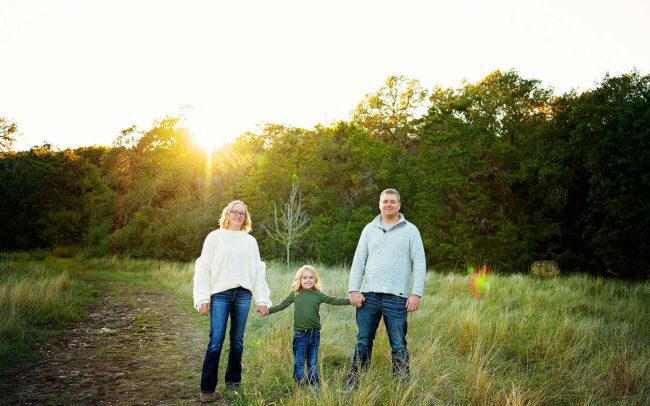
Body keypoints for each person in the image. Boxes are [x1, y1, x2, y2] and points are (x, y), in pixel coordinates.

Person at [193, 200, 272, 403]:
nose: (238, 215)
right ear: (227, 213)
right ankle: (207, 389)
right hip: (220, 294)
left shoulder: (249, 241)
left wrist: (262, 299)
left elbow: (257, 270)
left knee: (237, 341)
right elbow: (203, 268)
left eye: (242, 213)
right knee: (216, 341)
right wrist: (203, 297)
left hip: (243, 294)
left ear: (246, 218)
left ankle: (233, 384)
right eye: (235, 212)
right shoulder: (215, 237)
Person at [346, 188, 426, 387]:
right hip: (368, 296)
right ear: (379, 204)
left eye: (392, 201)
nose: (388, 204)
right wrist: (353, 290)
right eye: (385, 201)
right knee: (363, 341)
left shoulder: (410, 230)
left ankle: (401, 387)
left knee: (398, 344)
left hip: (397, 297)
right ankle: (355, 384)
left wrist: (416, 293)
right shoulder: (369, 229)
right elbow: (358, 261)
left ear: (399, 205)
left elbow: (420, 263)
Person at [264, 265, 351, 387]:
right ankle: (299, 384)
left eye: (311, 277)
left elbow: (334, 300)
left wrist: (351, 300)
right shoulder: (295, 294)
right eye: (304, 277)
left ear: (315, 280)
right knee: (299, 362)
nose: (308, 280)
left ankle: (314, 384)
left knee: (312, 362)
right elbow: (282, 305)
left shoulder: (318, 294)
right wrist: (268, 310)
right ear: (299, 279)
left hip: (315, 334)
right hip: (300, 334)